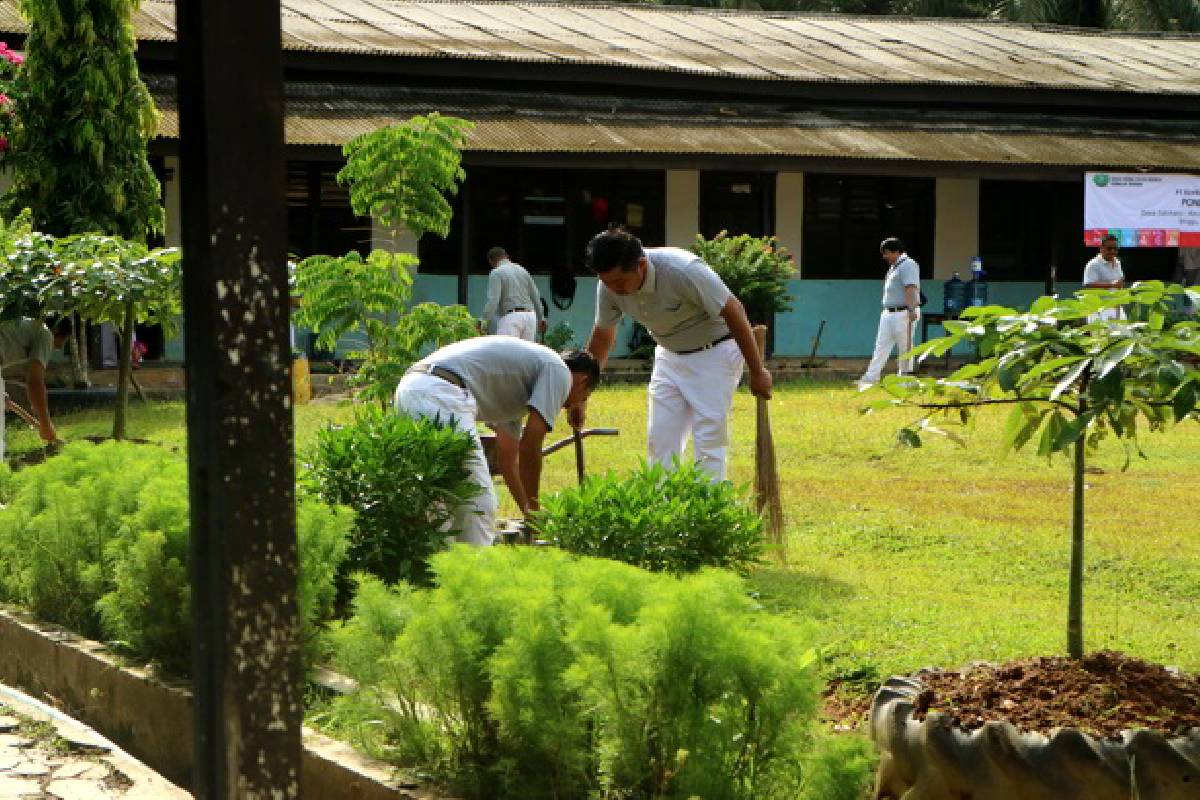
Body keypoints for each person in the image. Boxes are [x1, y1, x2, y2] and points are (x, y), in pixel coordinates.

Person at [573, 227, 771, 482]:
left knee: (709, 439)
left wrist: (757, 371)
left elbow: (734, 311)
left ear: (641, 265)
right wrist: (582, 395)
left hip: (715, 354)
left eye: (620, 282)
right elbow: (602, 338)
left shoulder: (683, 270)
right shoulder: (608, 287)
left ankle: (707, 512)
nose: (614, 289)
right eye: (607, 282)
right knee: (660, 439)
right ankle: (663, 511)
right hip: (668, 355)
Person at [394, 337, 599, 546]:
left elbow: (508, 464)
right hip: (441, 393)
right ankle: (475, 575)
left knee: (439, 500)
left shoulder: (518, 387)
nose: (571, 405)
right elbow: (530, 447)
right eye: (584, 397)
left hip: (412, 390)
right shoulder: (558, 371)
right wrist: (537, 513)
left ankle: (442, 572)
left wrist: (529, 515)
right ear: (582, 381)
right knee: (478, 502)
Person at [0, 316, 72, 459]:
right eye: (58, 345)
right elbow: (34, 381)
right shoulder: (45, 333)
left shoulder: (21, 330)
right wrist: (45, 424)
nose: (57, 349)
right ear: (56, 331)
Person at [857, 237, 921, 388]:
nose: (884, 257)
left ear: (896, 251)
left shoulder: (908, 265)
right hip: (889, 313)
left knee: (905, 347)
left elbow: (910, 287)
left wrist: (911, 310)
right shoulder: (894, 267)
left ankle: (905, 380)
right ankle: (870, 378)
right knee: (880, 346)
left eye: (886, 253)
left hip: (903, 312)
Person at [482, 247, 545, 341]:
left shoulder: (496, 272)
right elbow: (536, 296)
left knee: (505, 353)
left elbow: (493, 301)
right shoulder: (523, 270)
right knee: (525, 354)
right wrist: (541, 318)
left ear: (491, 261)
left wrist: (484, 321)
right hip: (530, 317)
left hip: (512, 317)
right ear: (507, 256)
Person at [1083, 235, 1125, 322]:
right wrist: (1112, 285)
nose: (1113, 251)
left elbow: (1119, 282)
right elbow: (1088, 286)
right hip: (1098, 309)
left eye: (1115, 249)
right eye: (1109, 248)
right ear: (1101, 248)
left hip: (1116, 307)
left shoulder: (1117, 262)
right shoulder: (1093, 264)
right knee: (1101, 335)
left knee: (1124, 334)